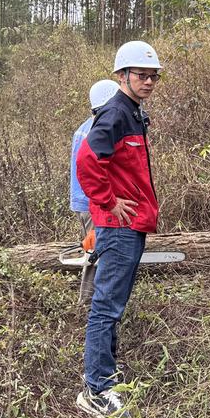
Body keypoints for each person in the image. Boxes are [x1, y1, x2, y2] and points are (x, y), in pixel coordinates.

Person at [75, 40, 163, 418]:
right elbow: (87, 161)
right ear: (123, 76)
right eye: (142, 75)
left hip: (130, 224)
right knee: (106, 307)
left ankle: (105, 375)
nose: (148, 81)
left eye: (153, 76)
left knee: (113, 305)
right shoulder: (115, 113)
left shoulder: (132, 112)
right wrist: (109, 202)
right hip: (117, 226)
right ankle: (96, 390)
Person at [70, 79, 121, 304]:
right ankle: (90, 302)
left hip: (83, 201)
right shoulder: (99, 131)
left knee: (94, 249)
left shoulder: (84, 128)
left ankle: (96, 300)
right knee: (98, 254)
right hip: (94, 202)